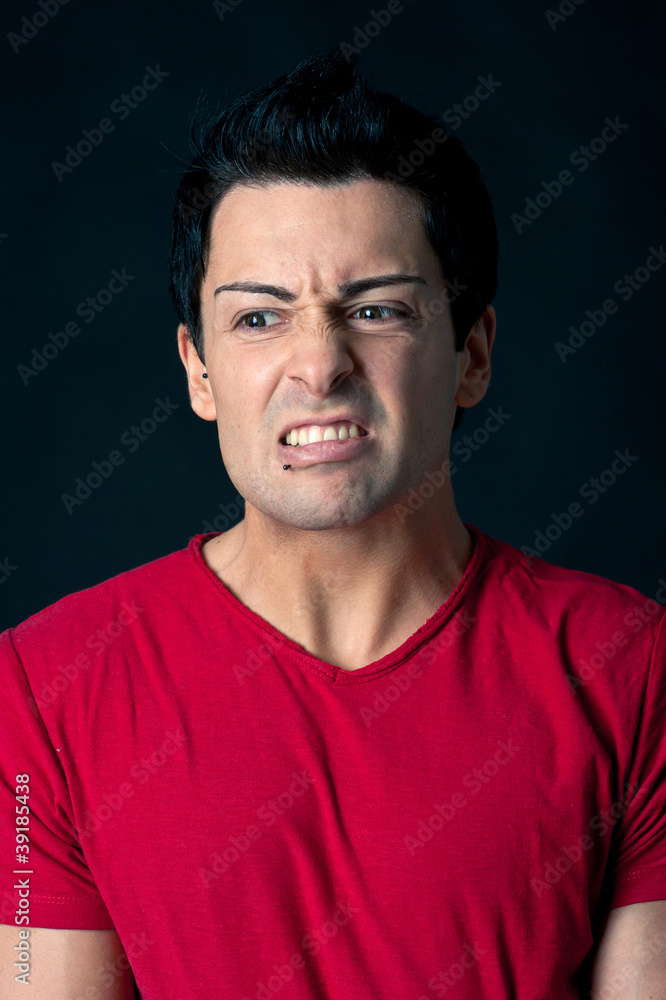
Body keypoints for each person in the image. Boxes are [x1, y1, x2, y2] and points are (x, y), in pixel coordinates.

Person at [1, 46, 665, 1000]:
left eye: (376, 309)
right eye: (260, 320)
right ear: (198, 370)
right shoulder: (41, 690)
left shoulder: (634, 672)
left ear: (472, 352)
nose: (320, 364)